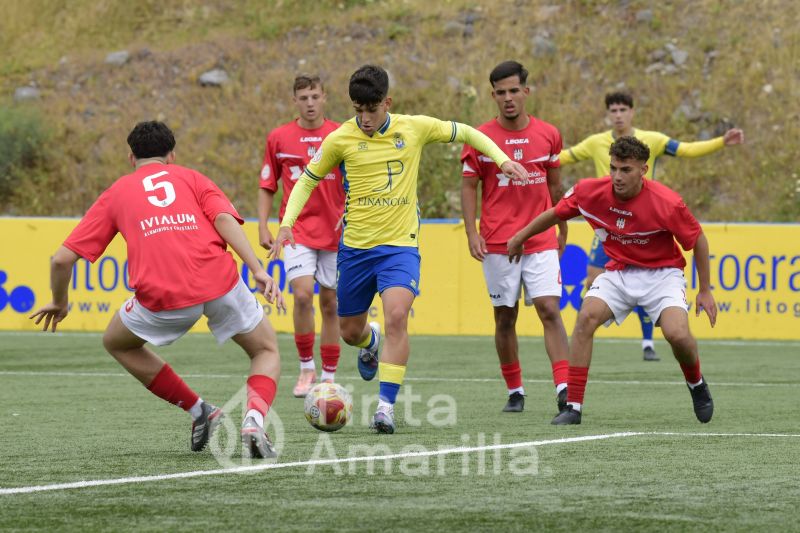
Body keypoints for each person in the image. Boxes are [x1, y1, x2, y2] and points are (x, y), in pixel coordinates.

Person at [270, 64, 528, 434]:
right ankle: (369, 342)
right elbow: (307, 182)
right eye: (358, 110)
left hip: (399, 247)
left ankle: (385, 407)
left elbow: (467, 131)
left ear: (387, 102)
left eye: (371, 110)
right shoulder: (340, 138)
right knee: (349, 332)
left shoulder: (415, 127)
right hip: (355, 250)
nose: (365, 118)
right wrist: (285, 225)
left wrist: (502, 159)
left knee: (396, 316)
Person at [29, 121, 285, 459]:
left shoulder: (118, 191)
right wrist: (257, 269)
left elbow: (61, 260)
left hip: (163, 298)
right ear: (172, 155)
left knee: (116, 342)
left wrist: (60, 302)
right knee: (266, 350)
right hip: (218, 281)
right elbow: (223, 221)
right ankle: (253, 420)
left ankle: (199, 410)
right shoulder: (192, 177)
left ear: (131, 157)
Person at [509, 136, 717, 425]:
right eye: (614, 168)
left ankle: (696, 384)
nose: (617, 176)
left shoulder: (667, 202)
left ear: (644, 170)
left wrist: (705, 290)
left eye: (626, 170)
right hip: (619, 271)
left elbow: (699, 241)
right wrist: (520, 236)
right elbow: (555, 214)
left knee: (677, 335)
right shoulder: (589, 192)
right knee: (586, 318)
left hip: (662, 275)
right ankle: (573, 407)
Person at [560, 91, 743, 361]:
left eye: (623, 109)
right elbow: (563, 158)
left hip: (644, 223)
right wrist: (519, 160)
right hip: (609, 225)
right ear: (608, 114)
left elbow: (686, 149)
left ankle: (647, 342)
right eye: (613, 110)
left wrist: (721, 142)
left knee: (648, 277)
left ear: (632, 112)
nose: (618, 115)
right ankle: (584, 334)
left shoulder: (653, 140)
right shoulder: (595, 142)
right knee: (592, 278)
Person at [461, 60, 570, 414]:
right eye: (500, 92)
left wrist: (562, 223)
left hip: (540, 239)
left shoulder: (549, 134)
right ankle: (515, 390)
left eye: (513, 91)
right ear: (493, 95)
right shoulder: (479, 136)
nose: (508, 98)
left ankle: (566, 388)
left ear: (526, 91)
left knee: (549, 309)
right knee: (505, 318)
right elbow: (468, 185)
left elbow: (555, 184)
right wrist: (471, 232)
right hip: (497, 242)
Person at [258, 75, 344, 397]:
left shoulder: (340, 134)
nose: (310, 103)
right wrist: (264, 224)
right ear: (294, 100)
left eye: (315, 96)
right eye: (304, 97)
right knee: (304, 294)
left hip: (335, 231)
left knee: (331, 302)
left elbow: (357, 178)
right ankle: (306, 367)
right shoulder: (279, 137)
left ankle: (329, 375)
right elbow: (267, 185)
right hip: (295, 230)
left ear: (325, 97)